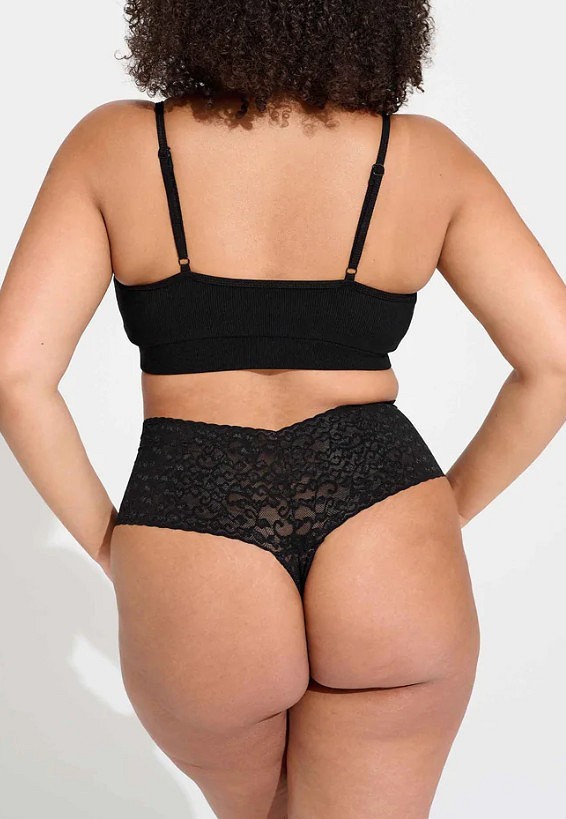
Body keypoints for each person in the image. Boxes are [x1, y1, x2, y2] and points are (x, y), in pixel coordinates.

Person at [1, 1, 565, 817]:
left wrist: (110, 543)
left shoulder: (116, 145)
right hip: (384, 509)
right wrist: (442, 508)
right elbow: (553, 360)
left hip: (192, 514)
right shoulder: (423, 156)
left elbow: (17, 375)